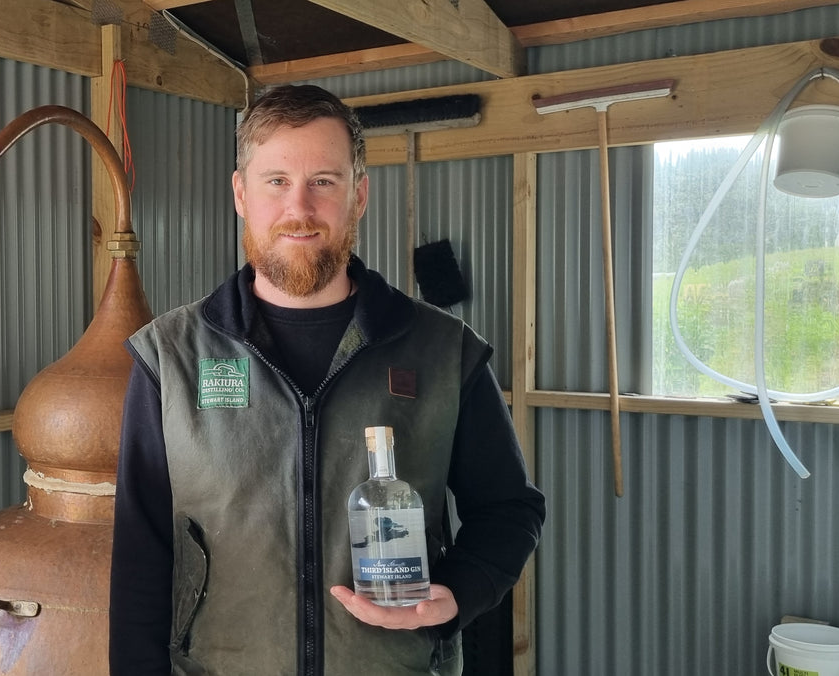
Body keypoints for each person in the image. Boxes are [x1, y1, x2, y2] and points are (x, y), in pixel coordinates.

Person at [108, 84, 545, 675]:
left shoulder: (444, 352)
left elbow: (509, 509)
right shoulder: (170, 358)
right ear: (241, 194)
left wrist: (457, 594)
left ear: (358, 194)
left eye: (323, 181)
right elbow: (141, 554)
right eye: (276, 181)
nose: (299, 208)